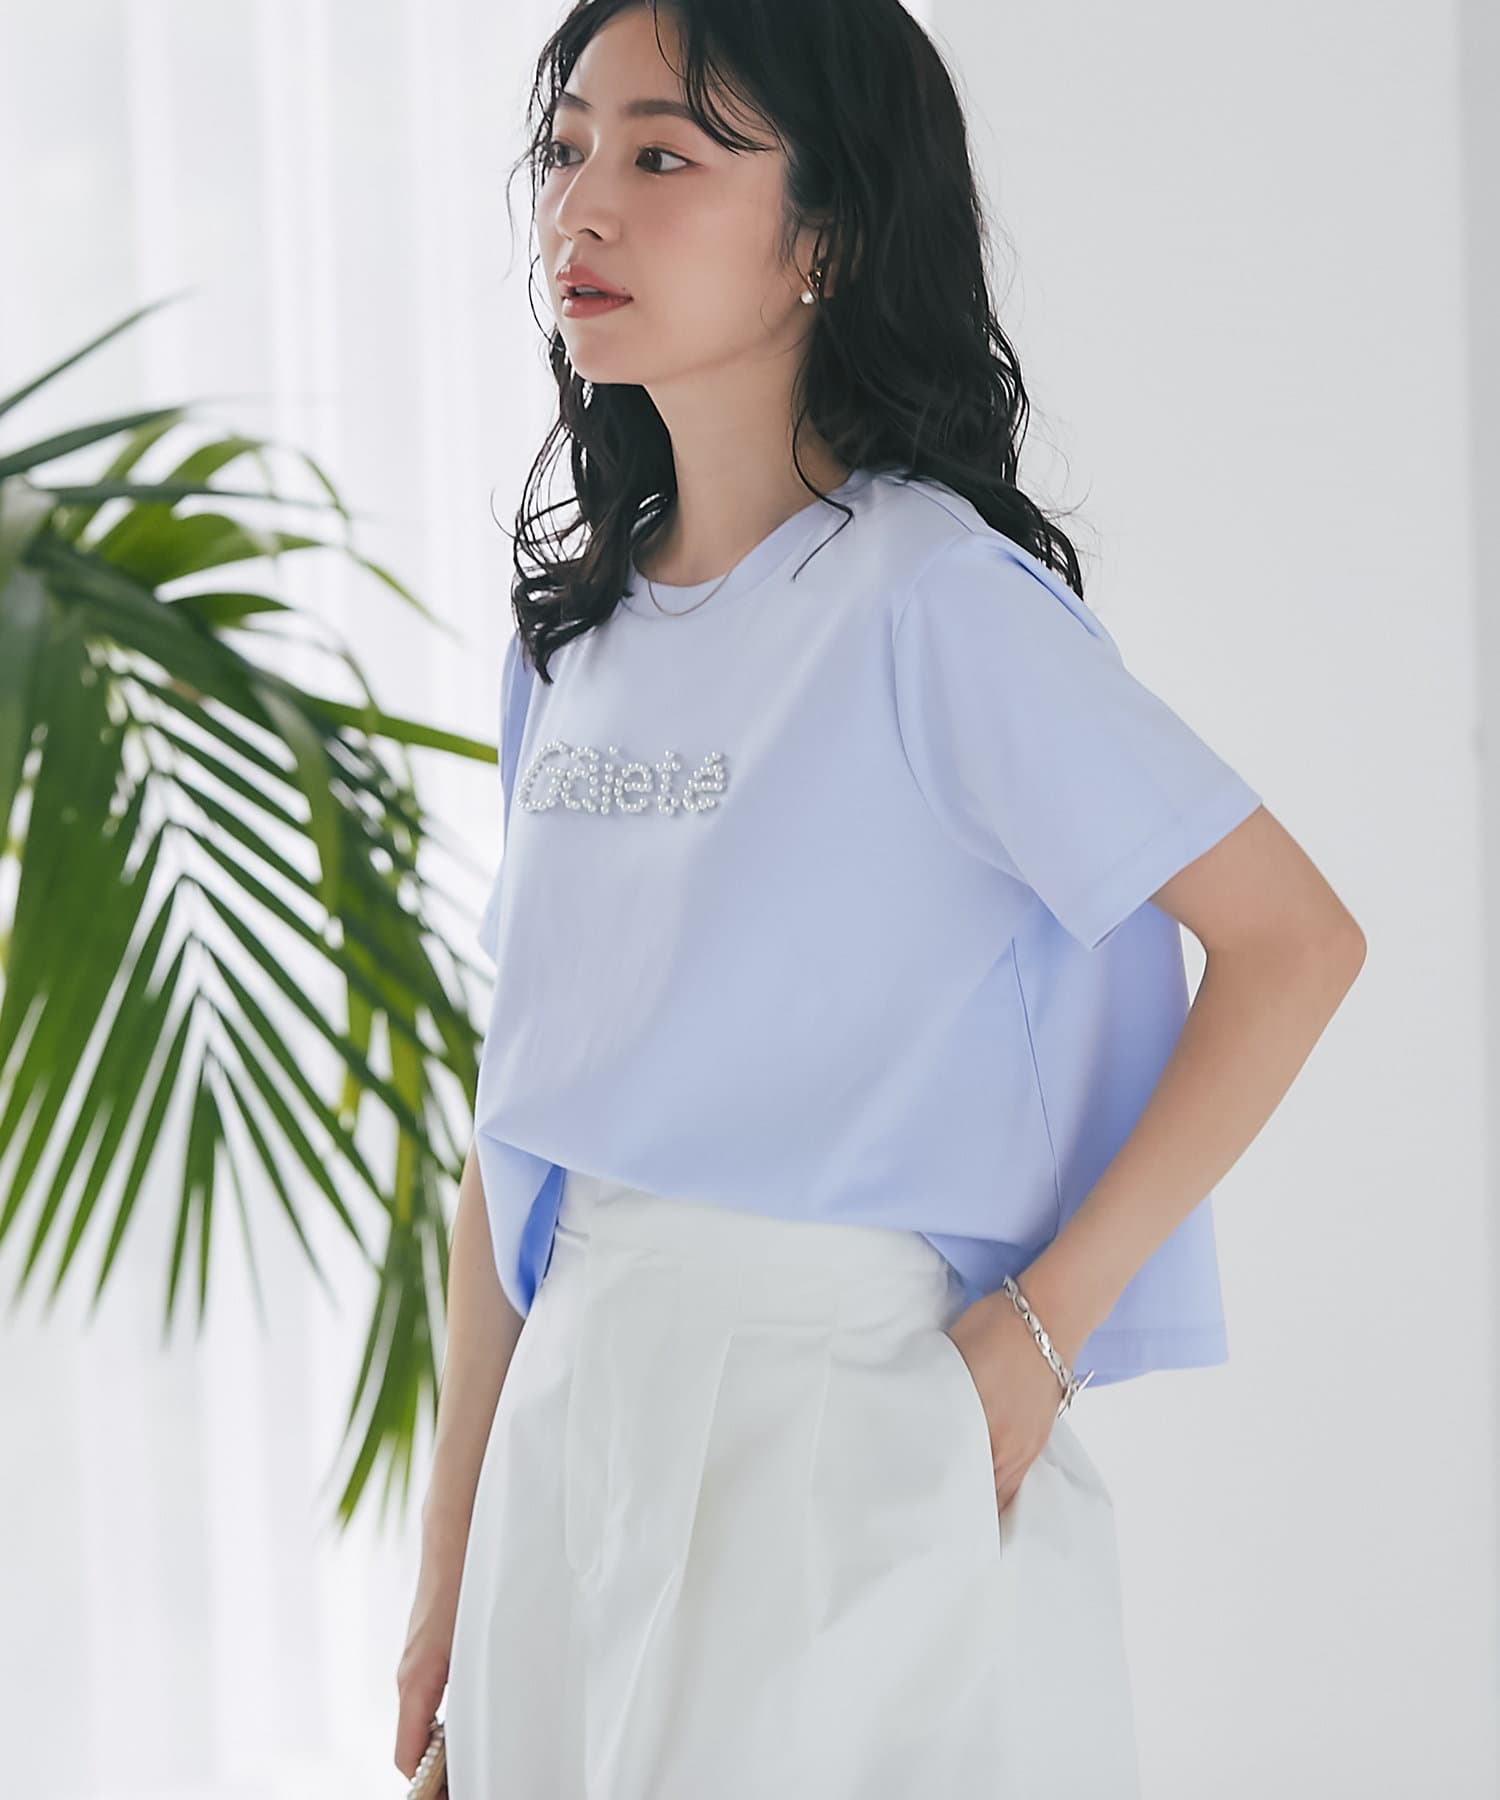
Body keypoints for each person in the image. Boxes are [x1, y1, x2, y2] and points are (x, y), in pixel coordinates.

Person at [396, 2, 1367, 1795]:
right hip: (574, 1440)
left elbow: (1295, 942)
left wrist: (1042, 1337)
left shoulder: (932, 598)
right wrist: (450, 1567)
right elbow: (514, 1133)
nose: (581, 206)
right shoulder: (574, 643)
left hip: (840, 1428)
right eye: (565, 148)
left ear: (824, 239)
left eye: (663, 155)